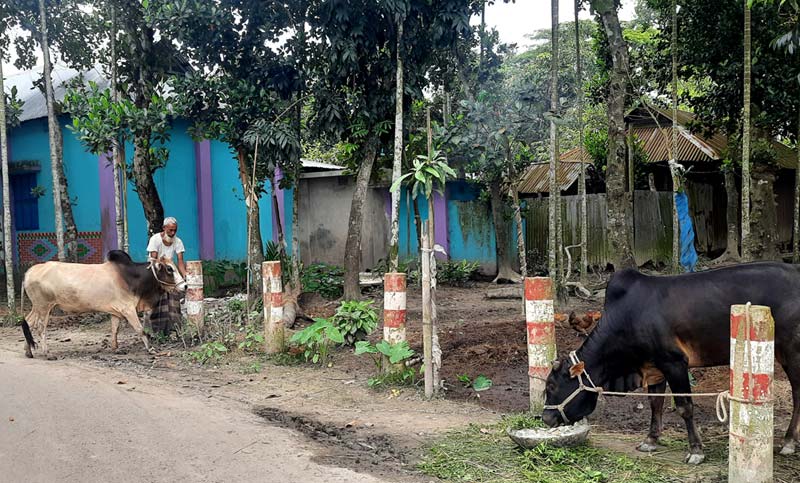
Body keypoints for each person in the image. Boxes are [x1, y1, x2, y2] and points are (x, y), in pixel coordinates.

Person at [146, 217, 187, 336]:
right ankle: (153, 331)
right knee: (156, 302)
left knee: (174, 299)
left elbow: (180, 261)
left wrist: (185, 275)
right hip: (157, 272)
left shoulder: (178, 242)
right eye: (170, 230)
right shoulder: (155, 239)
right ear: (164, 228)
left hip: (170, 272)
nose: (173, 233)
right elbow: (153, 260)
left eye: (175, 230)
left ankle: (175, 329)